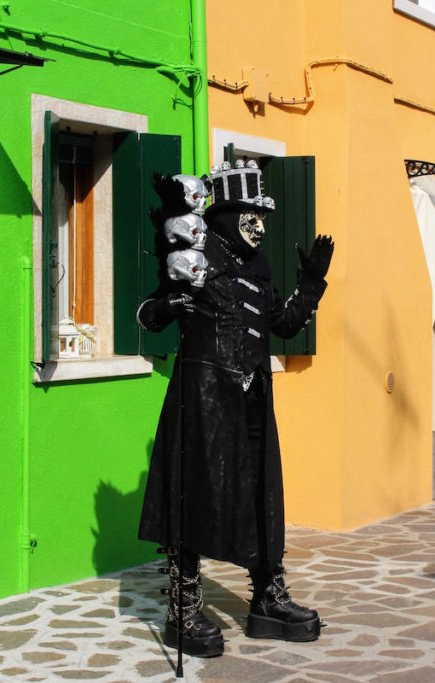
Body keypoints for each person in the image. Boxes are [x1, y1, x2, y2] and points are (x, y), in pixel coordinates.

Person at [136, 161, 334, 657]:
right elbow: (148, 315)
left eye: (263, 216)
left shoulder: (259, 265)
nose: (260, 225)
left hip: (253, 396)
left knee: (264, 495)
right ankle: (182, 609)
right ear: (225, 213)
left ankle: (267, 599)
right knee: (194, 496)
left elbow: (283, 325)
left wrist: (310, 283)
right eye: (252, 214)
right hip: (201, 395)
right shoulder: (194, 253)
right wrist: (171, 307)